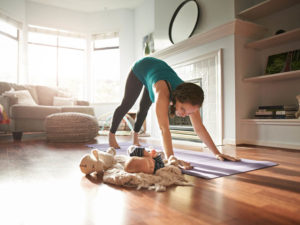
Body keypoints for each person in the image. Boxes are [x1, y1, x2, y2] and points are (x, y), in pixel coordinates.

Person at [109, 57, 239, 163]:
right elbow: (164, 129)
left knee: (144, 109)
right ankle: (111, 135)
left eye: (188, 112)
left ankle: (135, 137)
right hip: (142, 68)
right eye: (183, 109)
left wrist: (217, 153)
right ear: (176, 98)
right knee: (127, 104)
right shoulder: (162, 92)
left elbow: (199, 128)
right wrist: (171, 157)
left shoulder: (191, 100)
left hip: (156, 72)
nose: (184, 115)